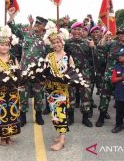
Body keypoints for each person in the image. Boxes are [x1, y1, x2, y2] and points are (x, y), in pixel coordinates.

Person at [24, 21, 90, 151]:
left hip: (62, 90)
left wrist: (67, 80)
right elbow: (45, 71)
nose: (56, 44)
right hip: (50, 90)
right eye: (54, 43)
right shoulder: (49, 56)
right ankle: (60, 135)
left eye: (58, 42)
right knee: (54, 114)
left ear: (62, 42)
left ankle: (62, 140)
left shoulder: (67, 57)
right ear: (51, 45)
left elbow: (73, 73)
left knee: (60, 114)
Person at [7, 9, 48, 126]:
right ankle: (23, 117)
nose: (36, 26)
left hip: (38, 74)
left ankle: (38, 115)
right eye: (36, 23)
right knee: (23, 95)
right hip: (24, 72)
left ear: (43, 27)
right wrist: (11, 17)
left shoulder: (46, 40)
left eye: (39, 24)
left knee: (38, 95)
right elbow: (12, 27)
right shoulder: (26, 35)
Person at [64, 22, 95, 127]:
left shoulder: (88, 43)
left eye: (79, 29)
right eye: (75, 29)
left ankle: (85, 118)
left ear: (82, 31)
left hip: (84, 73)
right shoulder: (66, 43)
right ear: (71, 31)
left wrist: (93, 48)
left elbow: (95, 59)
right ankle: (70, 117)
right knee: (70, 95)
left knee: (86, 96)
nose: (77, 32)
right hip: (71, 73)